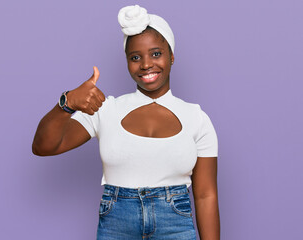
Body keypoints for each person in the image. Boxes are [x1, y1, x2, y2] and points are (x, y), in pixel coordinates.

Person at [32, 5, 220, 240]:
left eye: (156, 53)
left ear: (171, 56)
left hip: (176, 226)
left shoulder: (197, 118)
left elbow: (205, 195)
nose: (146, 64)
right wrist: (67, 103)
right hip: (116, 226)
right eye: (135, 57)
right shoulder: (105, 109)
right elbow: (43, 147)